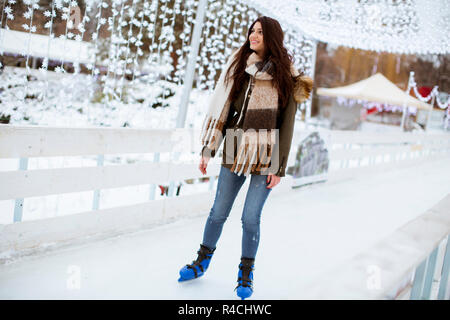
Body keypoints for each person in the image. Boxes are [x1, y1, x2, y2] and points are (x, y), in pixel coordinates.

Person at [178, 16, 313, 300]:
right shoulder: (240, 64)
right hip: (235, 147)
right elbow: (224, 109)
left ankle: (245, 274)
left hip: (266, 153)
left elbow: (286, 124)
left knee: (251, 217)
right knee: (218, 212)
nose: (253, 35)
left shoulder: (287, 75)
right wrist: (208, 149)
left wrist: (279, 166)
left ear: (272, 36)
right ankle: (201, 261)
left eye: (260, 32)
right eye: (252, 31)